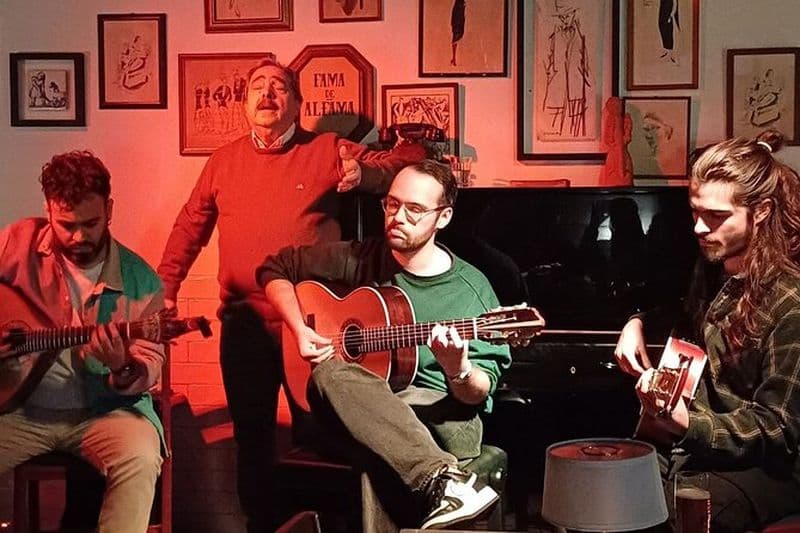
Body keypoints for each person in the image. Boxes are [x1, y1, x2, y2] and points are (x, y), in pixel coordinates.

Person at [156, 56, 424, 532]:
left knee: (322, 436)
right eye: (257, 87)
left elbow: (410, 162)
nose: (267, 94)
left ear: (297, 104)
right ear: (244, 104)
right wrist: (166, 287)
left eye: (279, 87)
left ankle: (326, 524)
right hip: (246, 327)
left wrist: (366, 177)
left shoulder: (326, 149)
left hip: (319, 325)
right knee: (253, 441)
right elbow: (189, 226)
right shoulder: (223, 161)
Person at [258, 160, 528, 530]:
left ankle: (440, 478)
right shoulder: (361, 257)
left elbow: (478, 394)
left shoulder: (473, 291)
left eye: (415, 210)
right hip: (363, 408)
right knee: (332, 375)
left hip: (441, 416)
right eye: (391, 204)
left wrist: (458, 369)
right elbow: (276, 268)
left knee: (377, 448)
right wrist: (299, 329)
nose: (398, 217)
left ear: (443, 217)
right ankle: (445, 483)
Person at [614, 131, 800, 532]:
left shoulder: (791, 303)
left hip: (767, 469)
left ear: (762, 211)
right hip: (696, 448)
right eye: (695, 212)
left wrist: (686, 422)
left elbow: (780, 430)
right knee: (603, 484)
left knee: (664, 510)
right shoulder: (716, 264)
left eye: (716, 216)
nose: (699, 227)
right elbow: (690, 316)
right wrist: (639, 321)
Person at [0, 150, 166, 533]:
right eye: (66, 224)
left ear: (109, 209)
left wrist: (121, 365)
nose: (78, 237)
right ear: (49, 209)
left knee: (141, 455)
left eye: (90, 223)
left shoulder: (140, 279)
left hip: (105, 414)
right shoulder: (17, 243)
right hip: (21, 411)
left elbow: (150, 365)